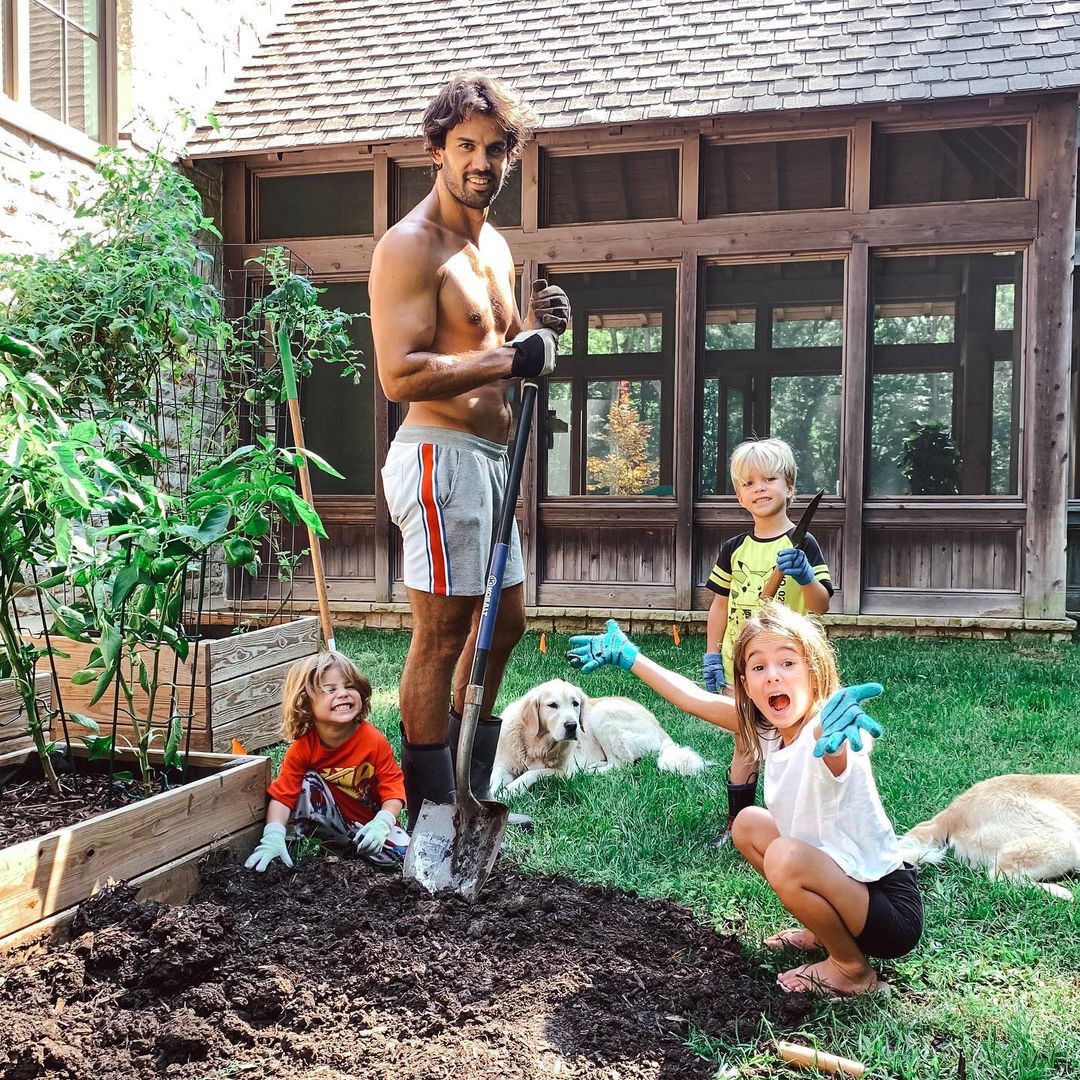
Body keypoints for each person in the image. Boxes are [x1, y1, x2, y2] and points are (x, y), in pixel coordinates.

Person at [369, 71, 570, 829]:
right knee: (443, 632)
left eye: (495, 151)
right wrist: (510, 357)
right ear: (436, 151)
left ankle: (466, 788)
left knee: (506, 623)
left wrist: (541, 324)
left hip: (492, 461)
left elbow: (501, 338)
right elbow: (400, 373)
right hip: (438, 455)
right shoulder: (410, 247)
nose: (481, 163)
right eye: (465, 147)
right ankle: (428, 817)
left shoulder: (495, 246)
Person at [566, 606, 921, 998]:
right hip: (843, 885)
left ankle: (851, 969)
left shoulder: (826, 728)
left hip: (888, 910)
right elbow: (692, 699)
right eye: (758, 667)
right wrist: (632, 658)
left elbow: (839, 756)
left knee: (785, 854)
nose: (772, 674)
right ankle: (823, 932)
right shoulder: (768, 730)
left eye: (787, 662)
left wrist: (839, 733)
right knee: (748, 824)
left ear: (815, 673)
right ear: (746, 686)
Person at [703, 437, 833, 846]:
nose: (758, 488)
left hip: (788, 667)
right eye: (748, 482)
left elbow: (822, 605)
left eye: (769, 479)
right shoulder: (733, 549)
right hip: (741, 665)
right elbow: (719, 607)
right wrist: (712, 655)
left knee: (788, 744)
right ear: (740, 496)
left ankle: (793, 822)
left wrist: (805, 576)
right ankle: (737, 825)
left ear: (789, 488)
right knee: (746, 741)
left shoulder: (802, 544)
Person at [245, 651, 409, 872]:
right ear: (305, 703)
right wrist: (272, 835)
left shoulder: (373, 741)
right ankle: (290, 846)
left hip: (370, 828)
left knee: (402, 859)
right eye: (330, 690)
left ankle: (358, 849)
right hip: (331, 825)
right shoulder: (303, 748)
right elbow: (283, 797)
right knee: (306, 782)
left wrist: (382, 823)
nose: (343, 694)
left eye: (350, 686)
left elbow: (394, 789)